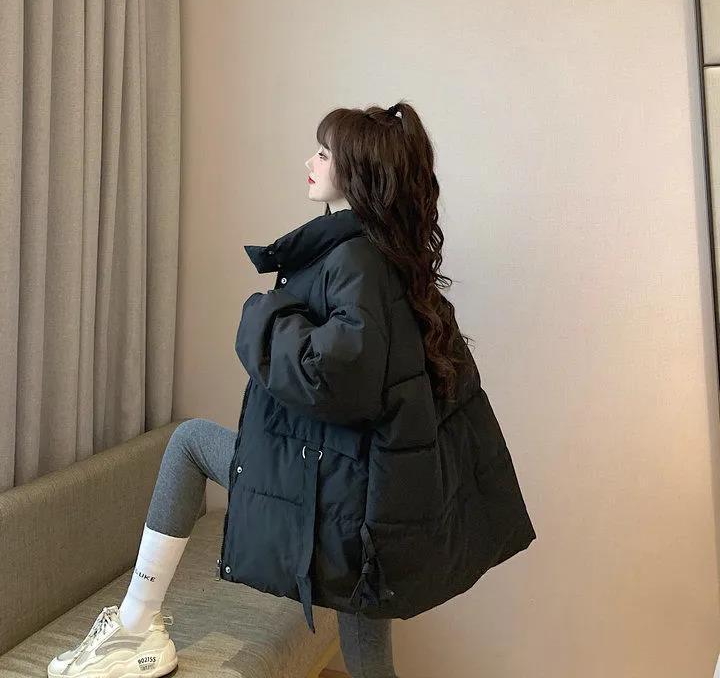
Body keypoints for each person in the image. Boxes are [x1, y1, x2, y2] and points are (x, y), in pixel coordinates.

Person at [47, 101, 536, 678]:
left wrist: (265, 312)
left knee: (189, 443)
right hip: (370, 483)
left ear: (355, 171)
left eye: (323, 153)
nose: (310, 162)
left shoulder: (354, 259)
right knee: (364, 624)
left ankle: (135, 626)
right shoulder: (388, 253)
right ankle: (135, 627)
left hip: (339, 483)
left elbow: (334, 374)